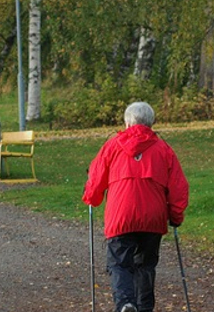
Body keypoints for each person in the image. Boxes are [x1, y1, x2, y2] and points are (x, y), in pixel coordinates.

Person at [82, 102, 189, 312]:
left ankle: (125, 304)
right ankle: (144, 308)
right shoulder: (164, 149)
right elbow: (179, 187)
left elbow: (95, 179)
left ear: (127, 122)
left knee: (120, 264)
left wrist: (91, 198)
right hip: (153, 217)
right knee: (146, 266)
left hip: (120, 215)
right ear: (151, 123)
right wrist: (176, 216)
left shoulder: (112, 146)